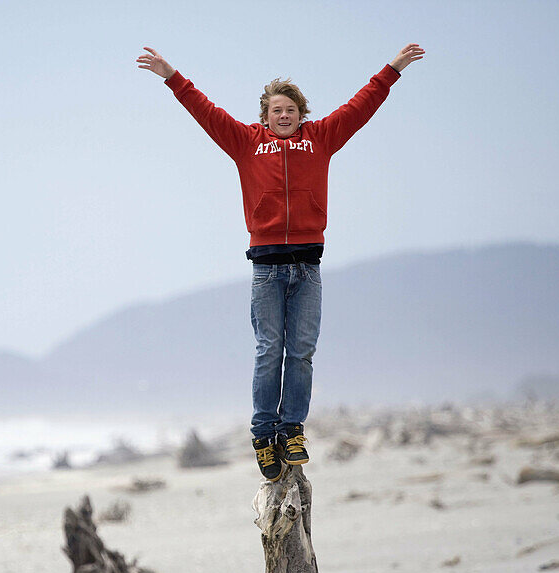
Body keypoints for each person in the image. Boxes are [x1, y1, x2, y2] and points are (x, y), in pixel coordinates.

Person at [138, 44, 424, 481]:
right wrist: (169, 74)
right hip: (267, 268)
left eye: (290, 109)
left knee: (303, 353)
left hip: (308, 268)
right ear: (265, 116)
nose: (284, 116)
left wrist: (394, 69)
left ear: (300, 114)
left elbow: (360, 106)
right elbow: (206, 112)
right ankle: (262, 435)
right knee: (269, 352)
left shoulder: (322, 139)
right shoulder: (246, 144)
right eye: (276, 110)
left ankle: (291, 429)